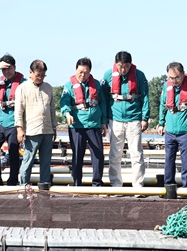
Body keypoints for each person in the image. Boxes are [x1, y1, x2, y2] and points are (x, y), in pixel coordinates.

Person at [101, 51, 150, 188]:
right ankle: (116, 184)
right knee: (115, 154)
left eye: (126, 66)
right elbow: (103, 98)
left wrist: (145, 117)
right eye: (120, 66)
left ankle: (138, 185)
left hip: (134, 118)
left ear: (131, 64)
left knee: (136, 154)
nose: (123, 70)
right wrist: (104, 120)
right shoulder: (108, 75)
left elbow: (145, 97)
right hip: (115, 119)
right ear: (116, 64)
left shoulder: (139, 75)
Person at [60, 57, 107, 186]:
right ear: (76, 70)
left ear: (90, 71)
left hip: (94, 125)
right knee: (77, 156)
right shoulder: (68, 85)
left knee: (98, 155)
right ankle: (77, 183)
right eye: (80, 72)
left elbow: (102, 104)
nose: (82, 75)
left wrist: (103, 122)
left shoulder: (96, 84)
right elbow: (64, 102)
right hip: (77, 125)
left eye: (86, 72)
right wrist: (67, 113)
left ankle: (97, 183)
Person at [157, 62, 187, 187]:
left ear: (183, 74)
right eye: (171, 78)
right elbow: (163, 105)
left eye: (177, 77)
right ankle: (169, 185)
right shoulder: (166, 87)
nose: (174, 81)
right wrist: (161, 123)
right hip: (170, 131)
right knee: (168, 160)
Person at [0, 54, 26, 185]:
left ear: (15, 67)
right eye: (4, 69)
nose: (7, 72)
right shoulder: (0, 81)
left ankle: (13, 180)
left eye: (9, 68)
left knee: (13, 151)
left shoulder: (23, 83)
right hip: (1, 123)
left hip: (14, 123)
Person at [14, 60, 57, 186]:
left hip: (47, 130)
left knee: (46, 161)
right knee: (28, 160)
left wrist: (54, 127)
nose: (40, 78)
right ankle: (23, 186)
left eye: (43, 75)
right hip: (32, 130)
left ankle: (44, 185)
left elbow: (52, 109)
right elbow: (19, 110)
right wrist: (19, 128)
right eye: (38, 75)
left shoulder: (48, 87)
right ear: (30, 73)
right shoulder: (22, 88)